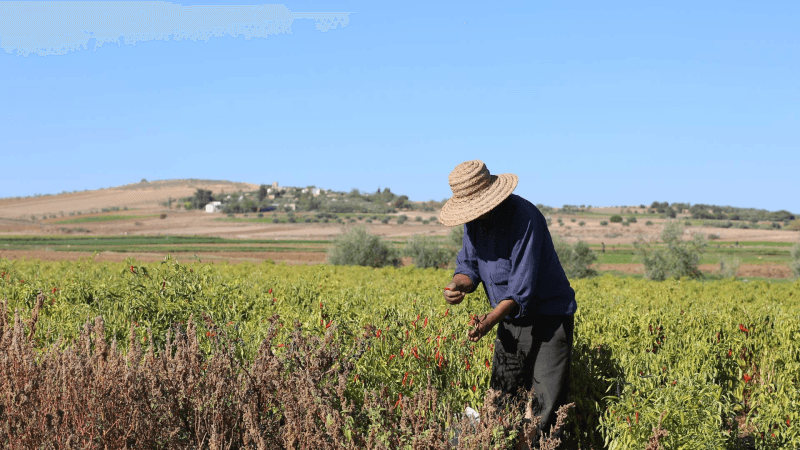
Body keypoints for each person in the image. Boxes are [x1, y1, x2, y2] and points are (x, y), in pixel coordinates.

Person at [438, 160, 576, 441]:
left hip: (549, 317)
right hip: (510, 319)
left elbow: (519, 290)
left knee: (543, 405)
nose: (473, 215)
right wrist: (457, 286)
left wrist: (488, 322)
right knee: (501, 397)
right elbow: (469, 268)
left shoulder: (525, 218)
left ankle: (536, 445)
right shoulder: (474, 223)